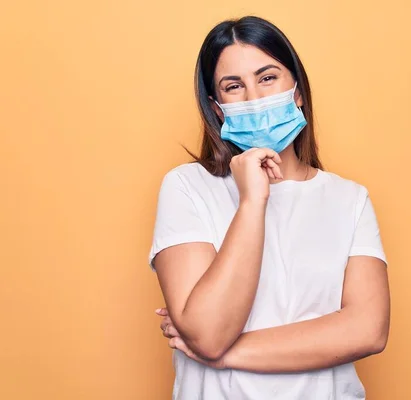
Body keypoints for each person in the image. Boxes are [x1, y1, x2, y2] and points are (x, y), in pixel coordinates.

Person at [148, 15, 390, 400]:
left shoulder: (350, 199)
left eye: (267, 78)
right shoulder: (186, 187)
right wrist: (251, 201)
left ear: (297, 90)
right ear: (217, 107)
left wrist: (225, 355)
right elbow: (209, 332)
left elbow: (367, 330)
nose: (255, 98)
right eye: (234, 86)